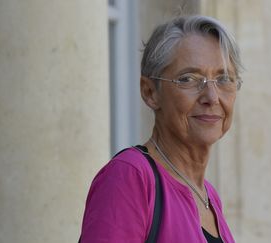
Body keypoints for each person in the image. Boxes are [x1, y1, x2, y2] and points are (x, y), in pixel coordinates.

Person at [80, 15, 242, 242]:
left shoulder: (209, 196)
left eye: (224, 79)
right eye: (188, 79)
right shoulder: (131, 177)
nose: (212, 97)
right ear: (150, 92)